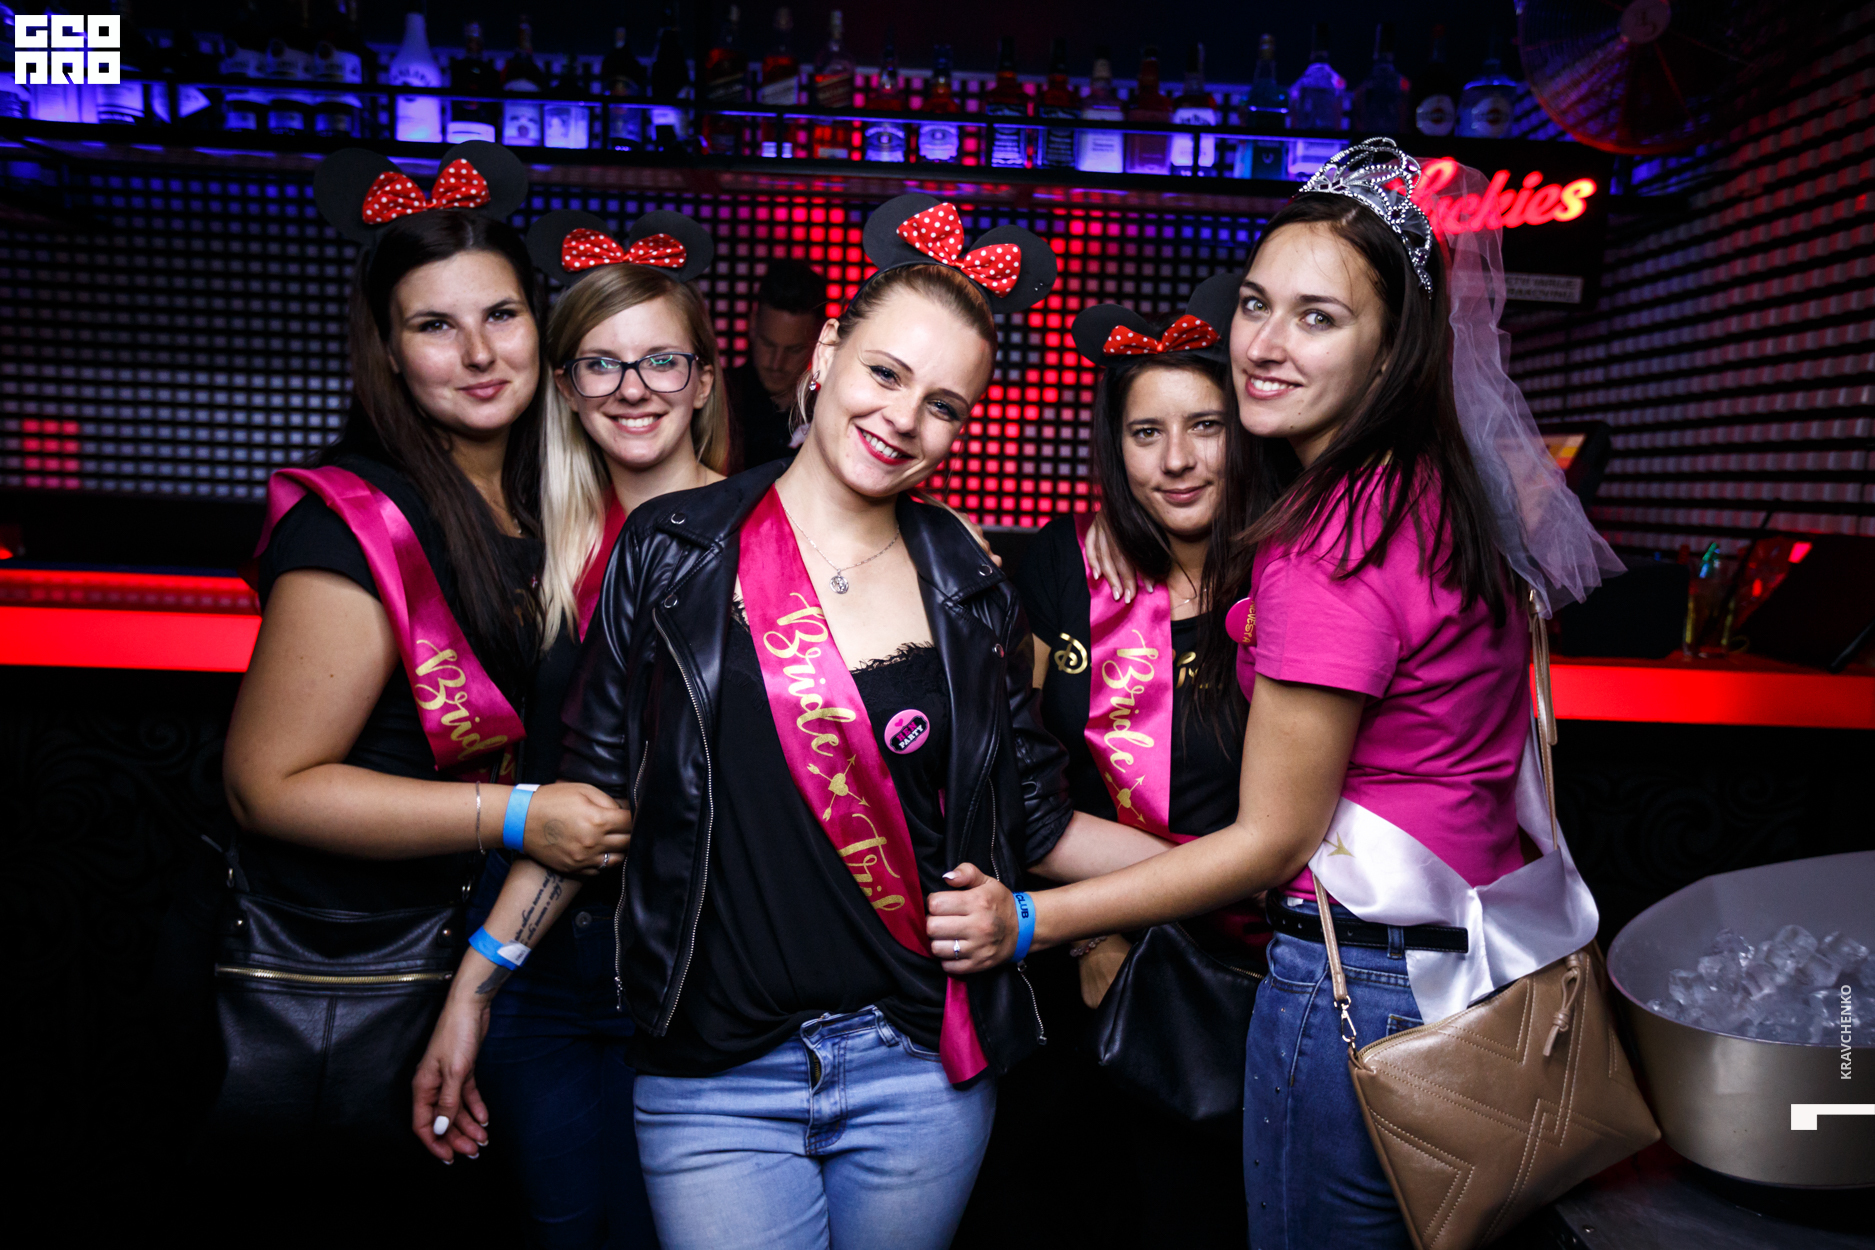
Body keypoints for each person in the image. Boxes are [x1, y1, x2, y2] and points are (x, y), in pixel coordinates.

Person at [412, 194, 1171, 1250]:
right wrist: (476, 986)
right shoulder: (671, 550)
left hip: (916, 1070)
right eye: (885, 373)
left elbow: (1038, 823)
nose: (903, 419)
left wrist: (1243, 873)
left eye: (943, 405)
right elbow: (591, 801)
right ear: (826, 356)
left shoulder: (971, 590)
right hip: (714, 1076)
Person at [949, 140, 1618, 1248]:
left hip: (1358, 985)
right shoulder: (1430, 493)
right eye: (1257, 304)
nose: (1261, 343)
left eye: (1318, 317)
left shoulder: (1328, 545)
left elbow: (1272, 840)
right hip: (1474, 966)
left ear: (1391, 346)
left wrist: (1030, 918)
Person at [214, 144, 629, 1232]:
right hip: (354, 969)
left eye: (502, 314)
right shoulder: (351, 522)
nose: (479, 353)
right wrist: (521, 813)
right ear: (389, 353)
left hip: (487, 956)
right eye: (435, 325)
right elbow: (266, 785)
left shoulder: (547, 502)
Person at [425, 207, 728, 1248]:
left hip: (688, 969)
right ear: (564, 387)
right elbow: (559, 777)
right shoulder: (533, 543)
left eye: (660, 360)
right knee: (559, 1231)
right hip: (542, 963)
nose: (631, 387)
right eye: (600, 363)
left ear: (703, 380)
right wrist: (476, 987)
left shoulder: (764, 537)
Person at [990, 276, 1265, 1249]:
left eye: (1205, 426)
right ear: (1115, 448)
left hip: (1241, 984)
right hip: (1075, 981)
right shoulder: (1061, 567)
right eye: (1147, 433)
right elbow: (1016, 781)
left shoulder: (1289, 574)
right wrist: (1102, 928)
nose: (1177, 459)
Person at [726, 257, 827, 469]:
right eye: (768, 344)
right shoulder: (719, 398)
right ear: (752, 325)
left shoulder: (826, 409)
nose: (777, 363)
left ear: (819, 338)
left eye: (793, 350)